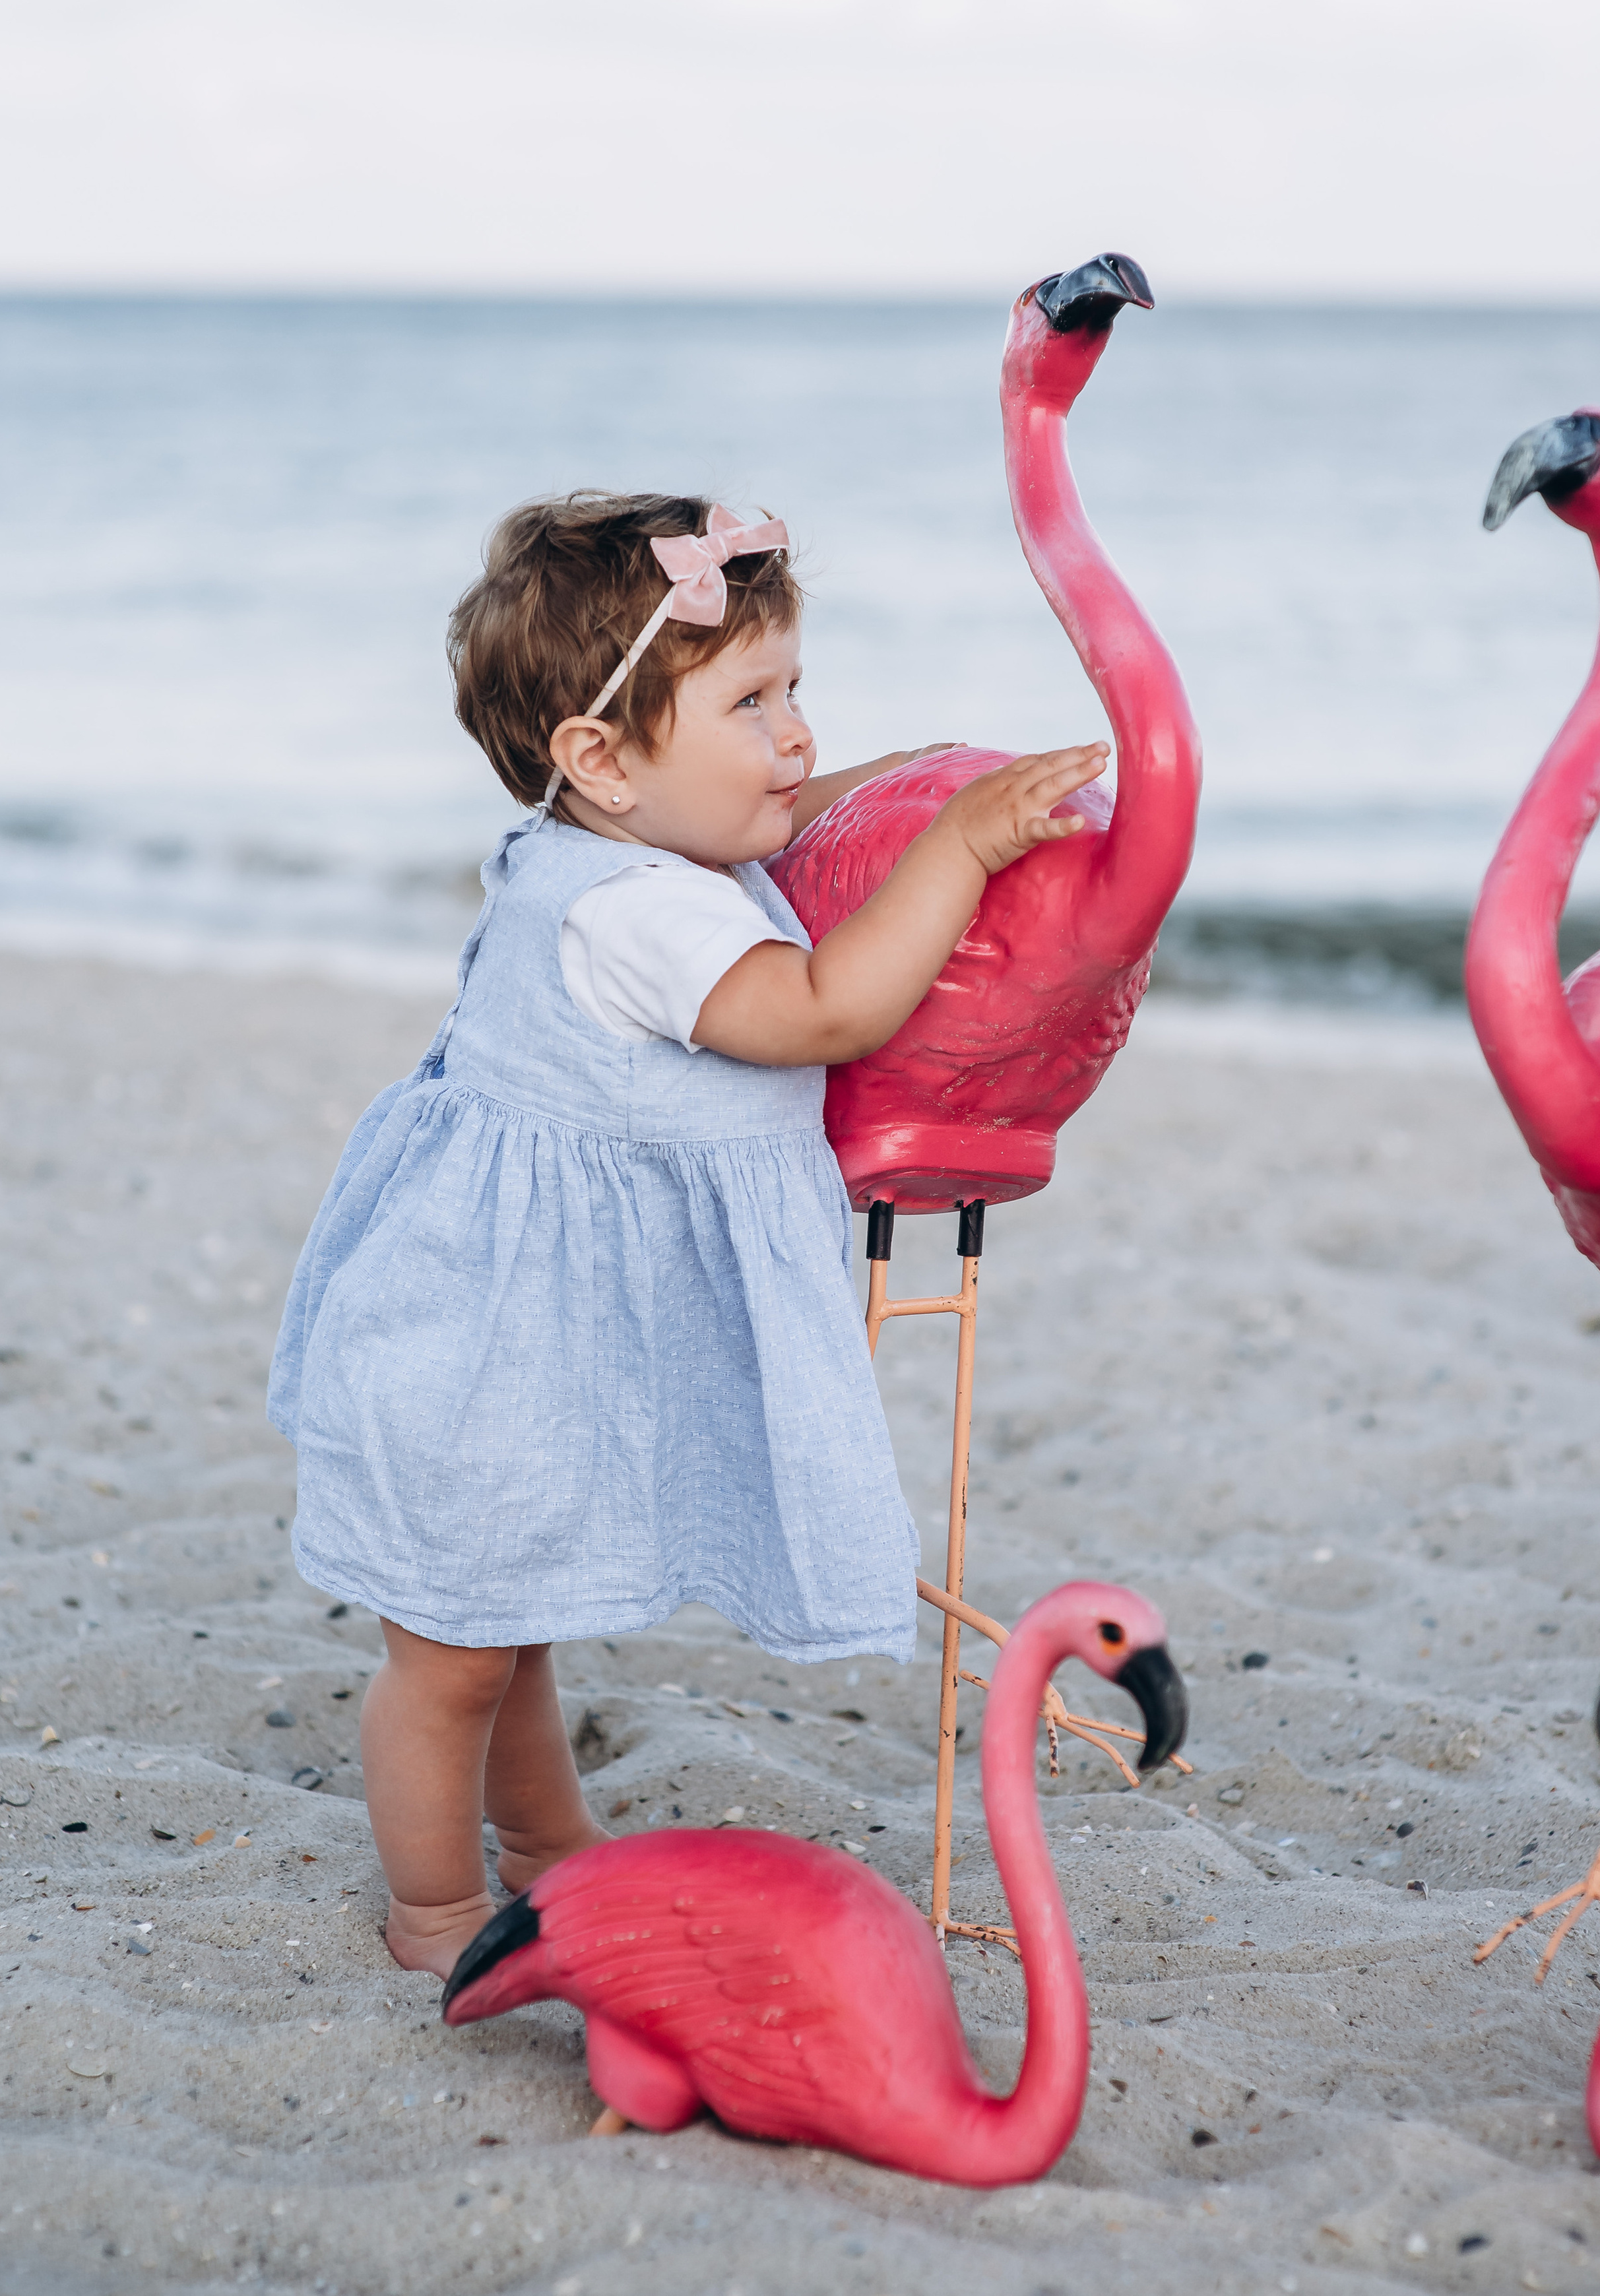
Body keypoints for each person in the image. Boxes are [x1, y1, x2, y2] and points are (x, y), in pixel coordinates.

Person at [269, 491, 1108, 1977]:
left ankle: (539, 1848)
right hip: (487, 1342)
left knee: (502, 1625)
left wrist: (879, 778)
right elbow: (821, 1012)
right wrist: (958, 849)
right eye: (752, 703)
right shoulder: (647, 920)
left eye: (798, 694)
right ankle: (437, 1908)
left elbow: (744, 817)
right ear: (598, 759)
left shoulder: (617, 842)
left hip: (512, 1322)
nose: (792, 739)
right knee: (452, 1659)